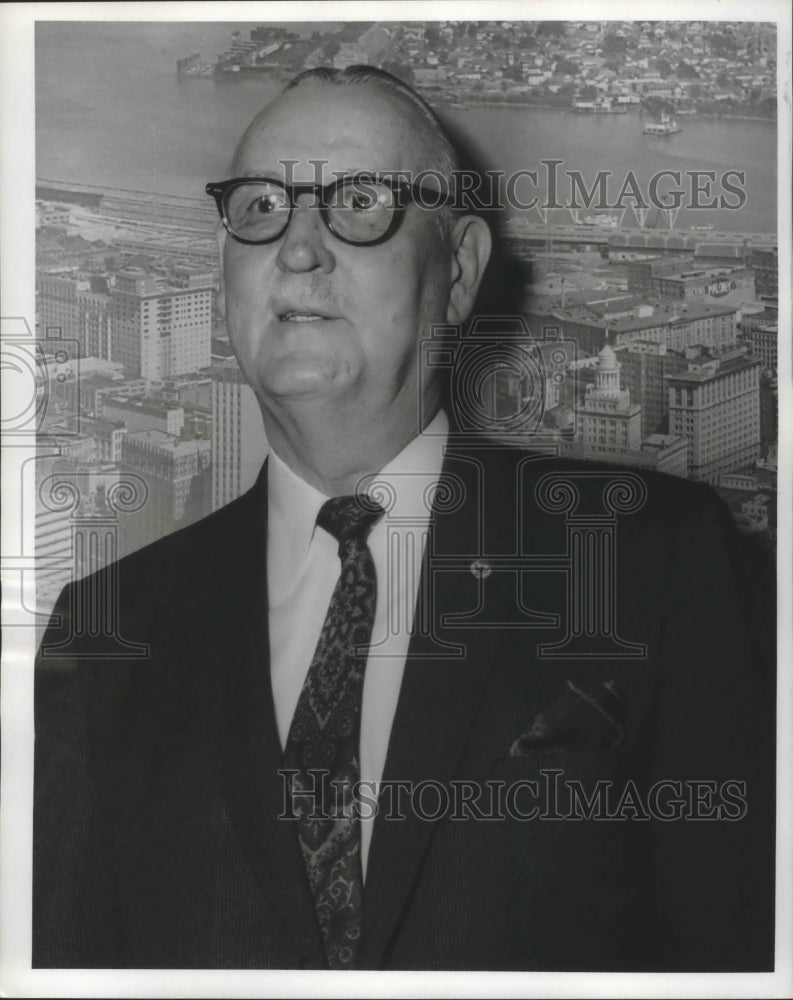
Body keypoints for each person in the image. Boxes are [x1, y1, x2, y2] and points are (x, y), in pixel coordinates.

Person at [34, 66, 774, 971]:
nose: (297, 248)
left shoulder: (655, 564)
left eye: (358, 201)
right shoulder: (107, 635)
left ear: (457, 270)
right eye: (263, 205)